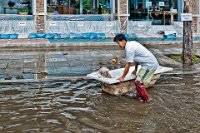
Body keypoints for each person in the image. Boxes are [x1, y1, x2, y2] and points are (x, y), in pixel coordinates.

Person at [113, 34, 159, 102]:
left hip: (150, 65)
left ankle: (146, 100)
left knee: (138, 82)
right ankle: (139, 96)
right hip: (146, 64)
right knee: (138, 81)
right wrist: (135, 69)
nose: (118, 45)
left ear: (123, 40)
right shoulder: (132, 44)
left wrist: (122, 77)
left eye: (118, 43)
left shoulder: (129, 49)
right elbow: (136, 59)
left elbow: (128, 65)